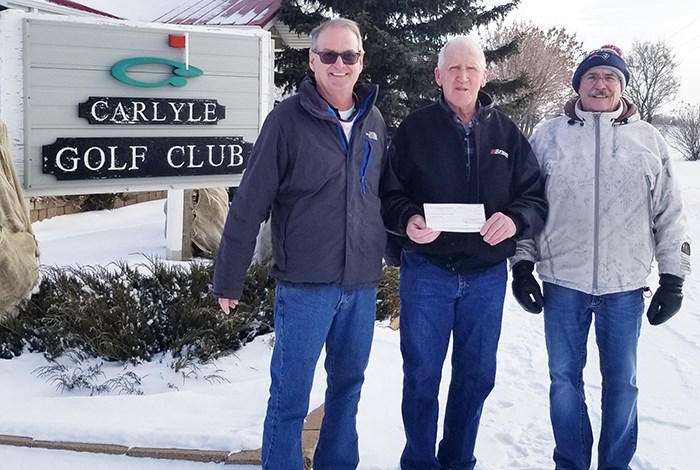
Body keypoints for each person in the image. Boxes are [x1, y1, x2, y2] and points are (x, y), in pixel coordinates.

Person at [213, 18, 387, 470]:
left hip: (361, 284)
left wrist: (402, 256)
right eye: (328, 55)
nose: (339, 64)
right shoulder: (286, 121)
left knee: (347, 391)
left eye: (348, 55)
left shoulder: (374, 120)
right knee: (290, 398)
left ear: (360, 61)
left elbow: (382, 198)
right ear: (312, 61)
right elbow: (249, 203)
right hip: (306, 285)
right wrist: (228, 277)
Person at [510, 45, 691, 470]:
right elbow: (527, 205)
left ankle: (615, 464)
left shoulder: (648, 139)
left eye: (611, 77)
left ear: (622, 86)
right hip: (563, 282)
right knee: (562, 381)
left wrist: (673, 278)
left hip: (624, 286)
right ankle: (570, 462)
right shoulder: (549, 136)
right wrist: (521, 266)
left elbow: (670, 212)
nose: (601, 83)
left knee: (622, 385)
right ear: (578, 84)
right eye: (592, 76)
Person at [380, 36, 547, 470]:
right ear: (438, 76)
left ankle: (457, 460)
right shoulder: (415, 131)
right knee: (421, 378)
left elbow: (533, 195)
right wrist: (407, 221)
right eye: (453, 68)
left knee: (475, 379)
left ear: (484, 75)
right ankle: (418, 462)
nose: (462, 76)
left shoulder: (507, 133)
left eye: (471, 68)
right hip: (428, 272)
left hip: (485, 278)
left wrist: (514, 219)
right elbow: (389, 193)